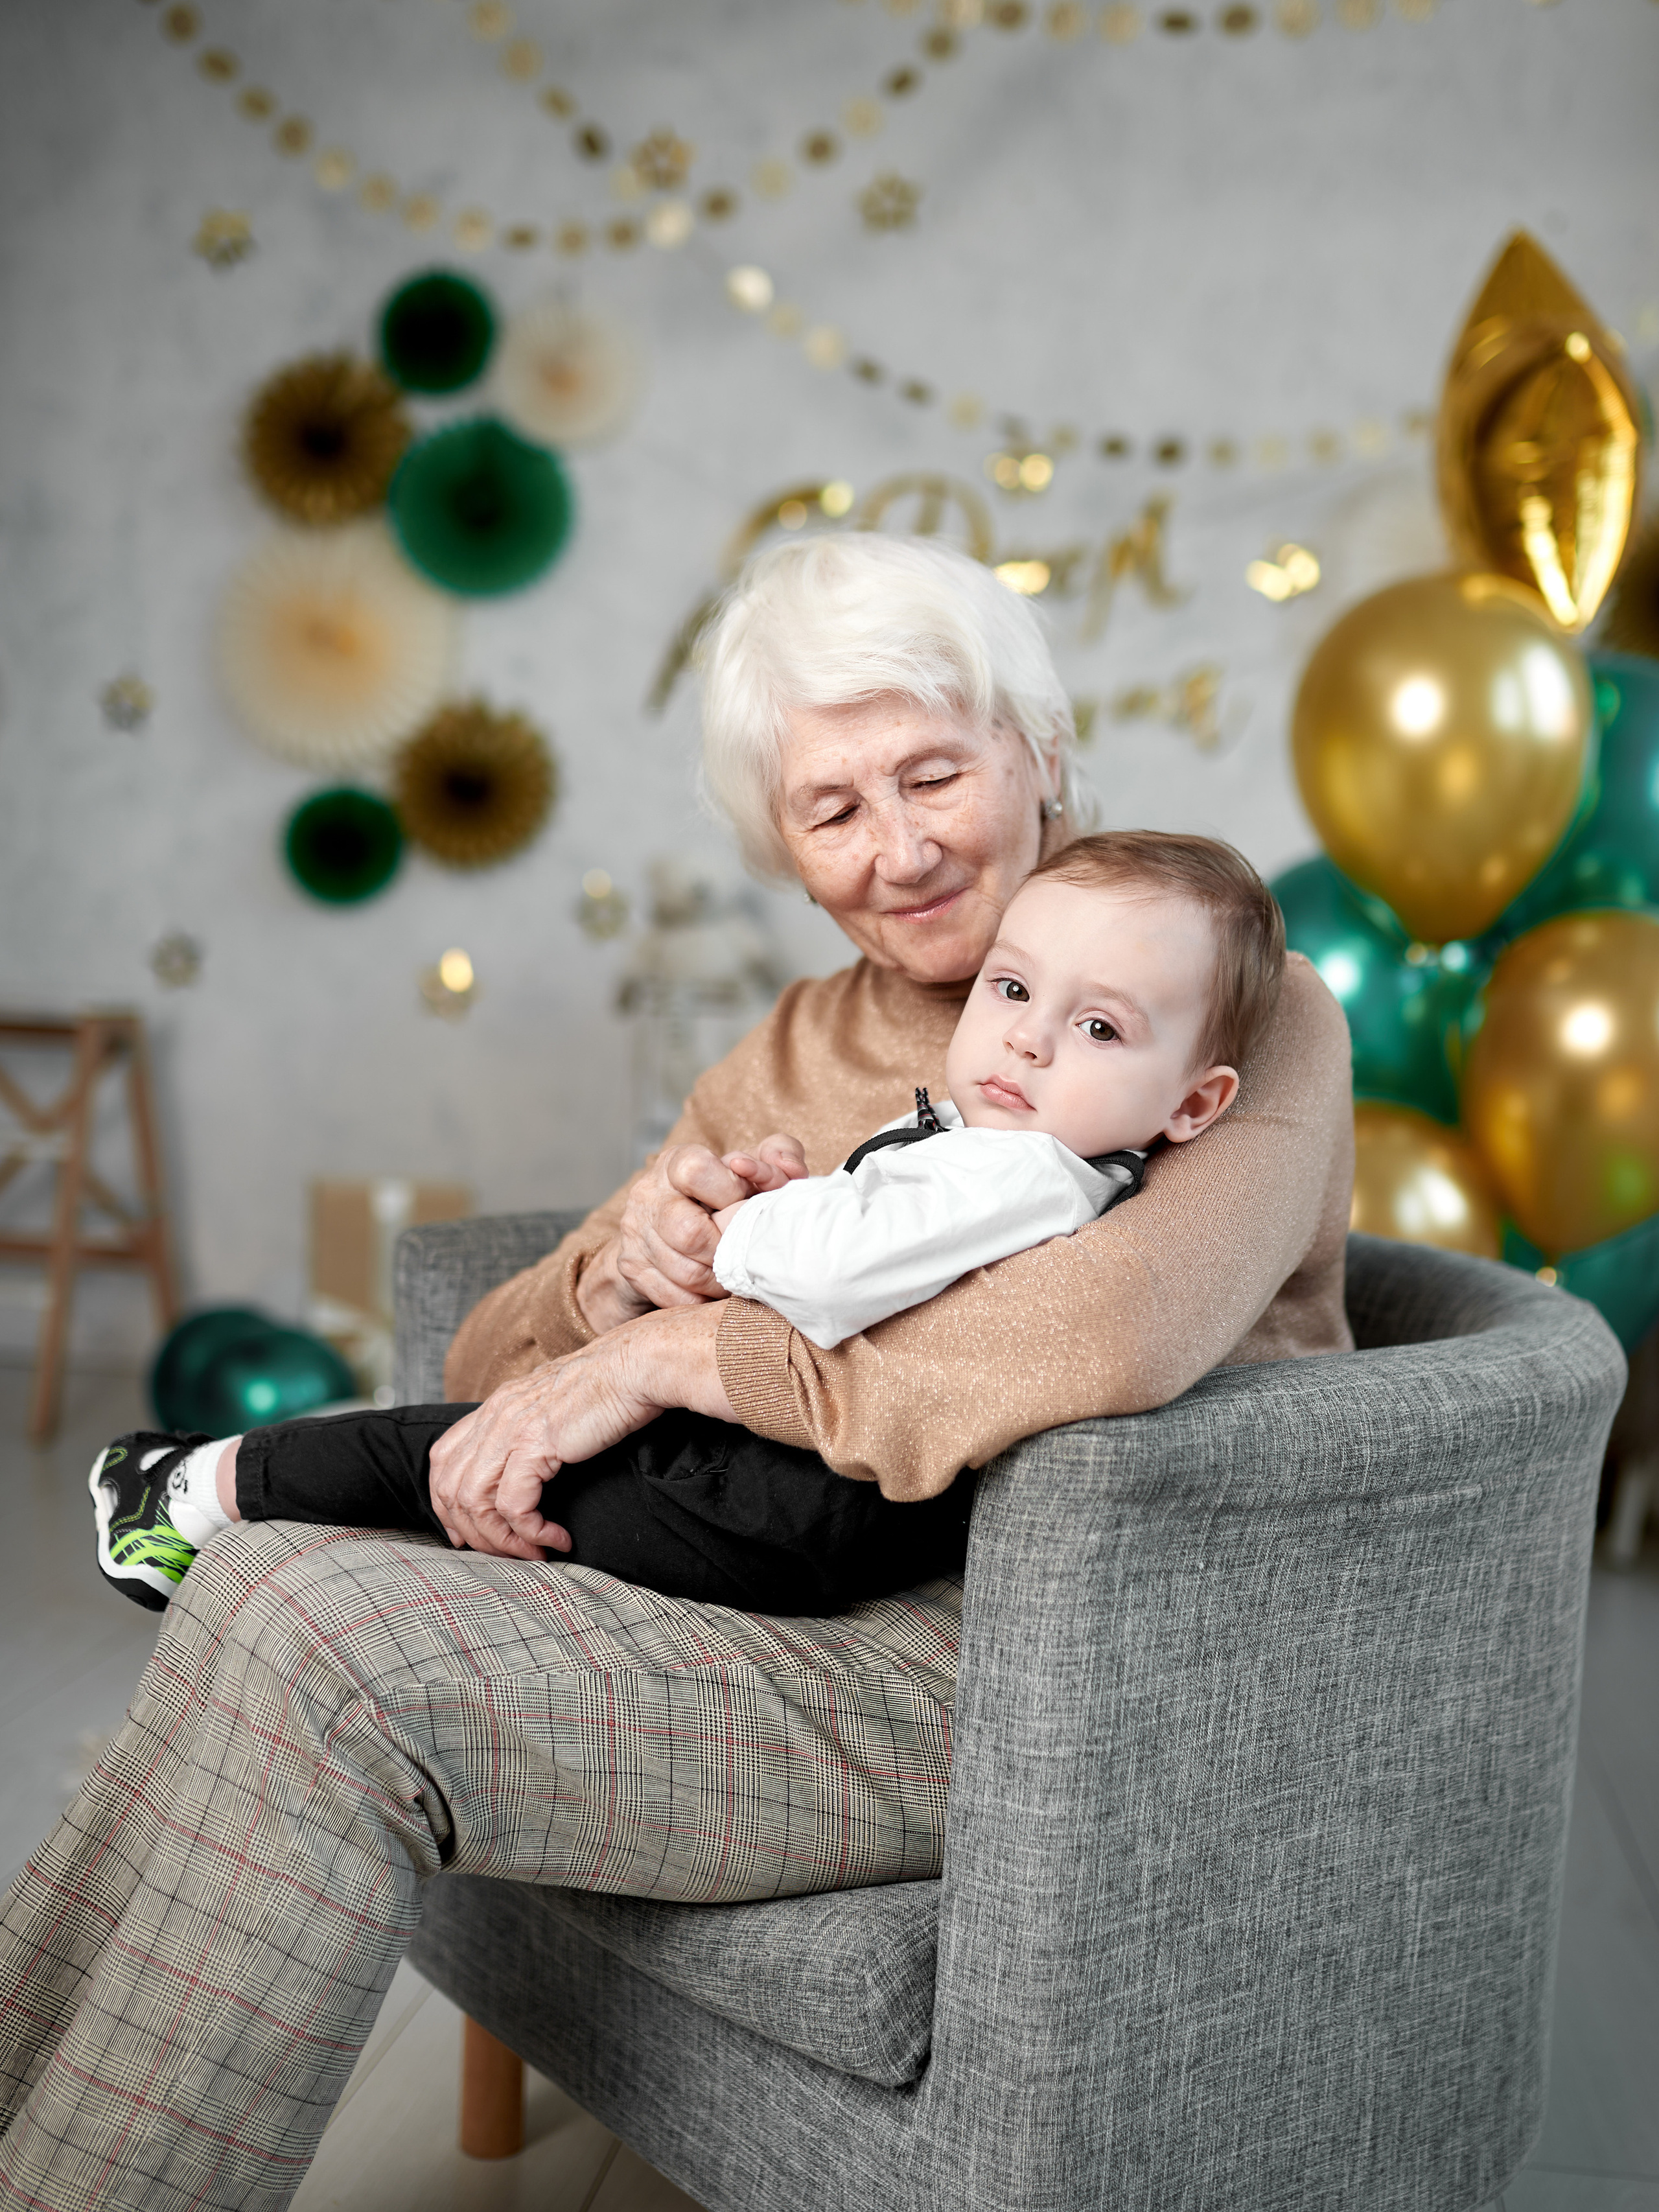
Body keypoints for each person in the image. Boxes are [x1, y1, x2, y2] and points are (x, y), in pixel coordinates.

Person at [0, 535, 1352, 2212]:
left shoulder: (1224, 996)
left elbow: (1108, 1332)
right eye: (834, 806)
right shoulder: (790, 1048)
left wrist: (684, 1346)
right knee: (262, 1572)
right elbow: (493, 1358)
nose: (904, 843)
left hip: (1049, 1664)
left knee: (316, 1639)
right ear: (781, 845)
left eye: (936, 770)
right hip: (772, 1591)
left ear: (1042, 750)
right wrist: (624, 1255)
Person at [86, 831, 1283, 1619]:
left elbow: (828, 1276)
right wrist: (650, 1262)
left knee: (453, 1477)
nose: (1028, 1038)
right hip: (782, 1483)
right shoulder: (986, 1138)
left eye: (1101, 1029)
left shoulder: (1023, 1174)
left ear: (1196, 1103)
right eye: (1013, 993)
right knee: (464, 1460)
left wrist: (742, 1235)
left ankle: (200, 1485)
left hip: (792, 1501)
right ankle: (205, 1493)